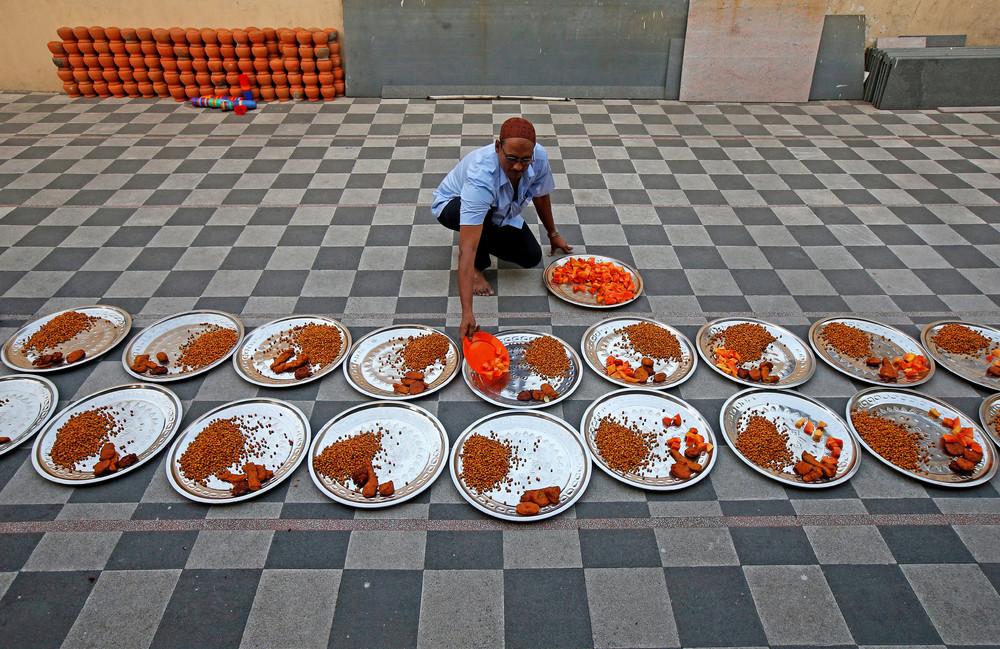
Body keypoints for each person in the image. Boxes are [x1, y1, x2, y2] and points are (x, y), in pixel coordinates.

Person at [431, 117, 573, 341]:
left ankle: (486, 232)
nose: (518, 166)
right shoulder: (481, 176)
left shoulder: (539, 157)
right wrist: (467, 312)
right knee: (480, 224)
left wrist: (553, 234)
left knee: (531, 257)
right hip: (452, 206)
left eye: (525, 160)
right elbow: (467, 248)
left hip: (500, 211)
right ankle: (479, 268)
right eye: (511, 158)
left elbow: (541, 194)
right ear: (498, 147)